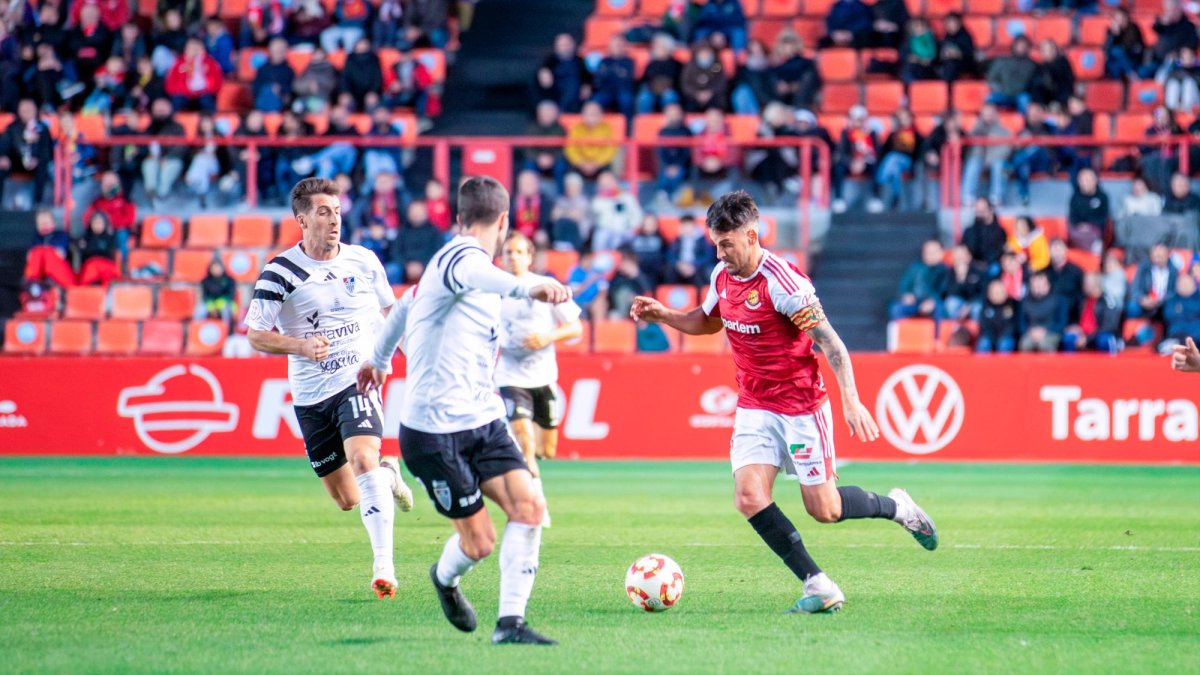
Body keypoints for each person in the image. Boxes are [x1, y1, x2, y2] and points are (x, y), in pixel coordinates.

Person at [631, 191, 938, 614]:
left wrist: (851, 398)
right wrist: (664, 314)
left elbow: (831, 344)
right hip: (754, 404)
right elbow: (707, 320)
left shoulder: (785, 283)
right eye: (715, 244)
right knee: (748, 496)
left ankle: (897, 506)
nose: (719, 253)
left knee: (825, 510)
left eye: (726, 244)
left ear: (752, 236)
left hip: (800, 406)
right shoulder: (722, 275)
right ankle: (819, 583)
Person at [359, 176, 570, 645]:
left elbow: (402, 309)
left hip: (482, 419)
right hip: (433, 432)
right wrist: (528, 289)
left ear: (458, 216)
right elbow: (479, 274)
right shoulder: (460, 257)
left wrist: (377, 359)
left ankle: (510, 624)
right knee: (479, 543)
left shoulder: (453, 270)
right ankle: (444, 577)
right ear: (504, 222)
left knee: (530, 507)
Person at [245, 178, 415, 601]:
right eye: (323, 211)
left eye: (337, 211)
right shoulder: (280, 273)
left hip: (358, 378)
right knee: (346, 498)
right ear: (301, 219)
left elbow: (391, 314)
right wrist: (300, 345)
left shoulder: (363, 261)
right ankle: (388, 473)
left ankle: (384, 568)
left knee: (361, 456)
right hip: (309, 393)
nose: (334, 219)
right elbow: (255, 334)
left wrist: (411, 357)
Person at [496, 232, 583, 529]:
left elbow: (575, 328)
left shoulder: (546, 287)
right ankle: (538, 507)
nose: (513, 257)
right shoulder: (493, 290)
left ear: (530, 257)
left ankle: (530, 462)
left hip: (543, 377)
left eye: (519, 252)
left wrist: (548, 336)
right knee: (525, 442)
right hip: (509, 376)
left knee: (546, 449)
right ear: (501, 256)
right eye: (508, 252)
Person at [890, 239, 948, 319]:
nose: (930, 254)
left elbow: (944, 291)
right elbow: (904, 285)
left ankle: (938, 331)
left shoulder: (944, 270)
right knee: (896, 308)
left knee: (941, 308)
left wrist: (932, 301)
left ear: (941, 253)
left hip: (934, 302)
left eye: (934, 251)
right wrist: (907, 295)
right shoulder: (915, 267)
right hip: (915, 302)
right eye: (927, 251)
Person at [1019, 272, 1067, 353]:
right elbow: (1021, 323)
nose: (1038, 289)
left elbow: (1062, 323)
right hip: (1031, 333)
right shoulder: (1025, 302)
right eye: (1035, 286)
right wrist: (1030, 331)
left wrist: (1045, 331)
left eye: (1041, 286)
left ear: (1048, 285)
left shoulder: (1059, 300)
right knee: (1025, 344)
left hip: (1051, 332)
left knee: (1044, 345)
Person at [977, 279, 1018, 353]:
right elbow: (984, 326)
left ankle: (1003, 365)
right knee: (983, 343)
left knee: (1005, 343)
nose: (997, 295)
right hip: (991, 337)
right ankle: (981, 364)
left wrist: (1003, 337)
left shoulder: (1013, 304)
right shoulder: (985, 305)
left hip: (1007, 337)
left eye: (1000, 292)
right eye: (994, 293)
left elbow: (1013, 325)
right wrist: (994, 338)